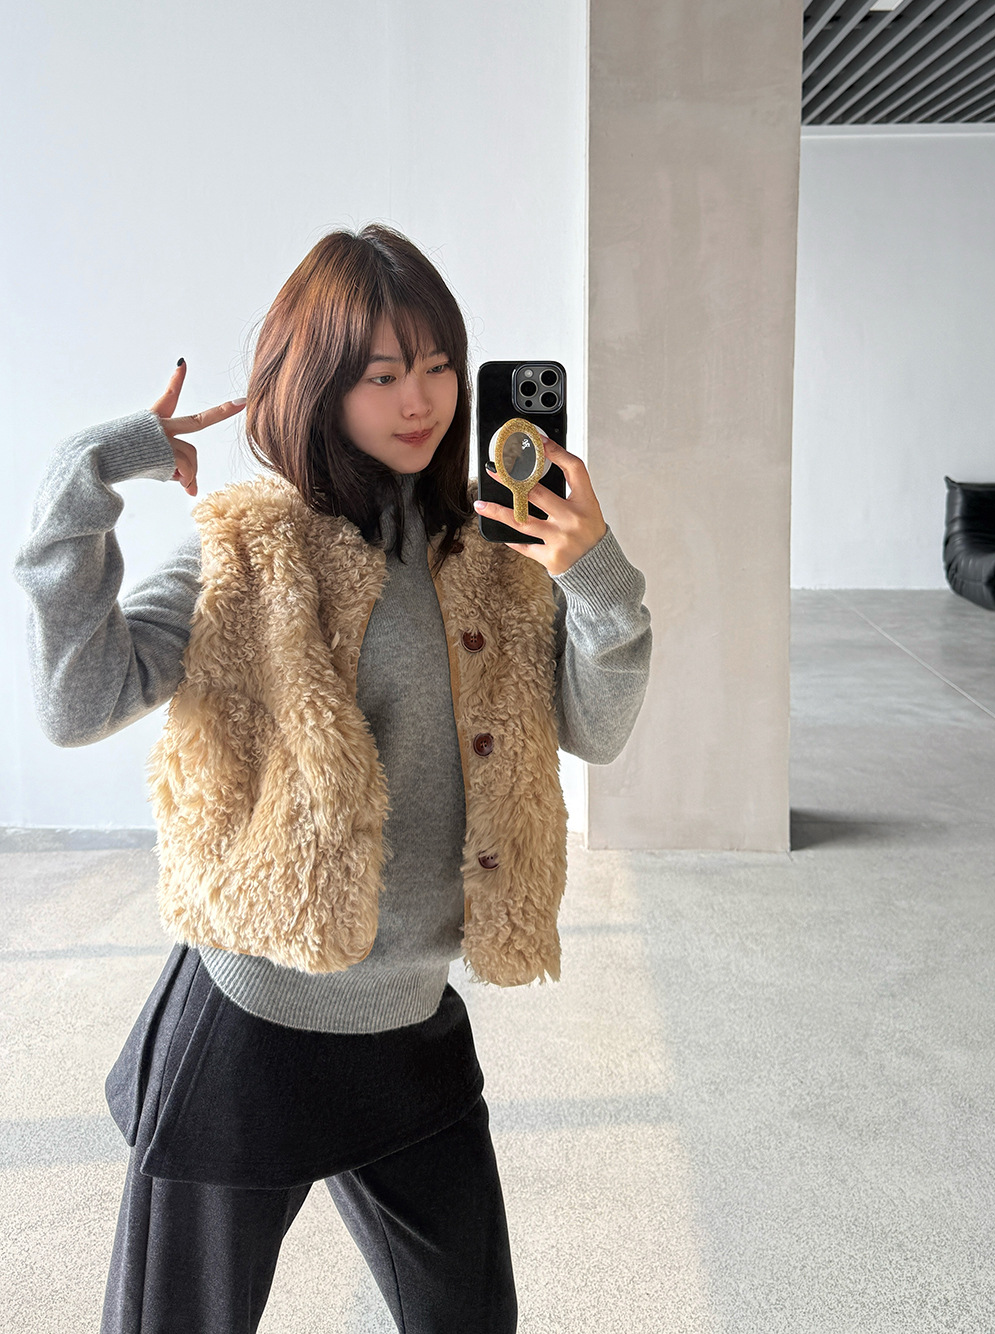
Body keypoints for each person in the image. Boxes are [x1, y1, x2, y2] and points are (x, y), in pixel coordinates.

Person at [13, 223, 652, 1334]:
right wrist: (83, 475)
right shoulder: (250, 548)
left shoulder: (494, 554)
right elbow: (77, 701)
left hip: (412, 1022)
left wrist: (593, 576)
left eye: (439, 365)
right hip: (252, 1025)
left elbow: (596, 731)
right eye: (382, 374)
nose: (422, 399)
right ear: (316, 384)